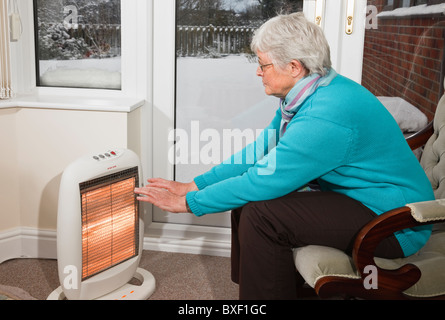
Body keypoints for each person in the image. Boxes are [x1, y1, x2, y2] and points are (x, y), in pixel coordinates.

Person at [135, 12, 434, 300]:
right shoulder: (310, 93)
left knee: (262, 215)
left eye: (263, 65)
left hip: (397, 222)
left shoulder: (326, 115)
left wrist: (190, 203)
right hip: (364, 199)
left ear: (293, 67)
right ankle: (262, 290)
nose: (257, 71)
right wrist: (194, 185)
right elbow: (260, 151)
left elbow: (263, 180)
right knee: (246, 204)